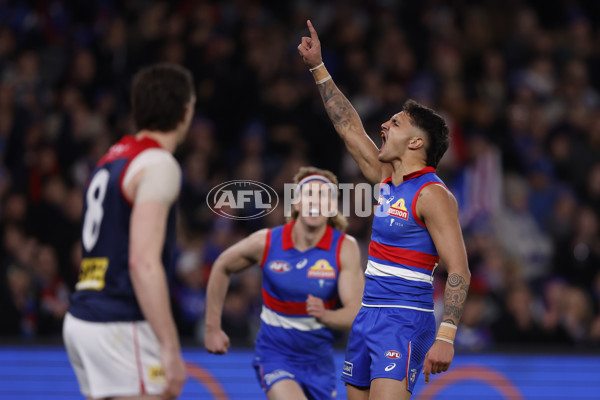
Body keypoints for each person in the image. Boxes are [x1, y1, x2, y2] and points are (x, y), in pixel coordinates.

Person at [298, 21, 471, 400]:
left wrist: (446, 336)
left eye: (394, 123)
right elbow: (348, 127)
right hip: (367, 316)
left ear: (414, 141)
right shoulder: (385, 179)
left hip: (404, 319)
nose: (382, 126)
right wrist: (318, 67)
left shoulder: (432, 194)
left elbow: (458, 268)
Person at [63, 63, 196, 400]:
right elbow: (142, 261)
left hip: (84, 315)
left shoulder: (110, 159)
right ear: (185, 112)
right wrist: (169, 346)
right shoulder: (158, 164)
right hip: (121, 322)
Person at [205, 166, 365, 400]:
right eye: (308, 194)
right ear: (296, 203)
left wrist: (326, 316)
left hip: (319, 363)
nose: (315, 202)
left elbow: (354, 312)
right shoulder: (267, 242)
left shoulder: (344, 248)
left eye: (323, 197)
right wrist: (212, 327)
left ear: (331, 208)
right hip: (275, 356)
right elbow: (221, 266)